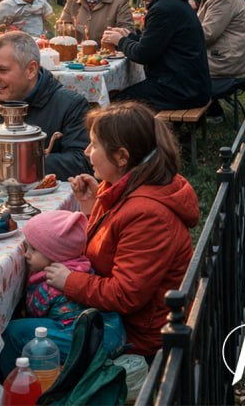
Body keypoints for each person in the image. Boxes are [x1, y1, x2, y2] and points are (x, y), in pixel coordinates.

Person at [50, 103, 198, 361]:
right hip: (122, 320)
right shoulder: (126, 188)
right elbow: (108, 248)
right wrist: (90, 208)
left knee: (17, 334)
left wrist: (69, 281)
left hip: (137, 336)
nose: (86, 152)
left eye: (94, 145)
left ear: (121, 157)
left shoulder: (148, 215)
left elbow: (125, 294)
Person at [0, 32, 91, 179]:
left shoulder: (71, 105)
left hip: (50, 200)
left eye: (2, 70)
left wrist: (18, 163)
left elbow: (82, 162)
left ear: (31, 70)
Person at [0, 210, 96, 377]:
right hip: (92, 330)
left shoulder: (50, 282)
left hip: (74, 340)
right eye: (26, 246)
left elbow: (34, 313)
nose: (26, 254)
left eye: (33, 250)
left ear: (56, 255)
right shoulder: (79, 266)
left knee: (10, 333)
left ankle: (10, 382)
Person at [104, 0, 211, 111]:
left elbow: (144, 54)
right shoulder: (171, 2)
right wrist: (129, 37)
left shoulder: (163, 9)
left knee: (116, 104)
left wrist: (120, 41)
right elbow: (155, 44)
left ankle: (144, 134)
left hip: (181, 91)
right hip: (188, 84)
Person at [196, 0, 245, 117]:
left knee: (178, 66)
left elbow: (207, 34)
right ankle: (212, 111)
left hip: (226, 62)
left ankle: (203, 116)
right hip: (228, 57)